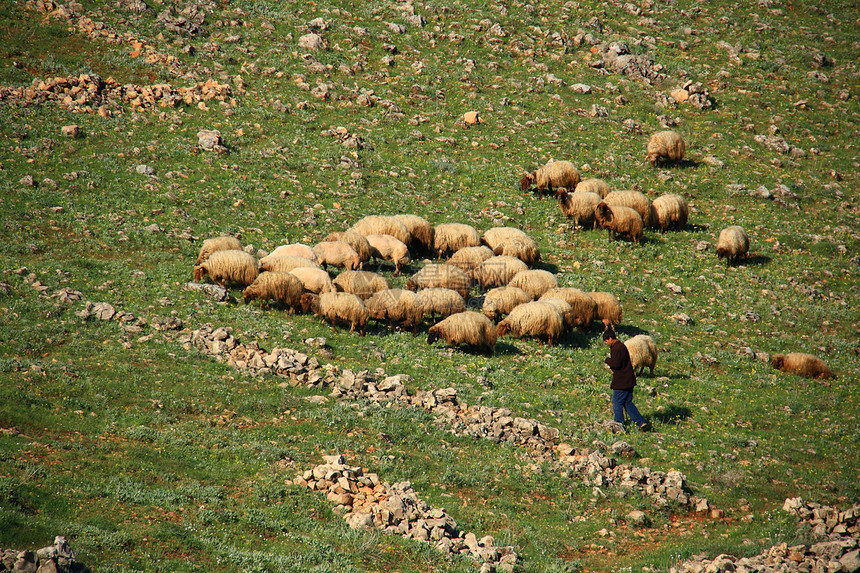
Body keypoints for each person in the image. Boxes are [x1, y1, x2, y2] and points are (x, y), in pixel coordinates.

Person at [603, 329, 650, 432]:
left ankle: (619, 424)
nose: (606, 343)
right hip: (629, 379)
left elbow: (616, 364)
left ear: (610, 338)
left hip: (622, 381)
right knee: (627, 402)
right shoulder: (622, 346)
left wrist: (607, 360)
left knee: (617, 402)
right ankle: (641, 422)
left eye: (606, 341)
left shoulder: (616, 348)